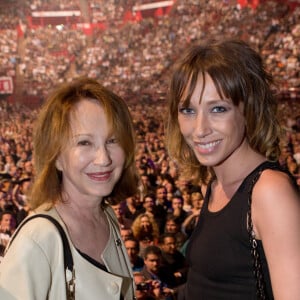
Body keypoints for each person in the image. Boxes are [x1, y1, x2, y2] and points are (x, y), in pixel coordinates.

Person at [166, 39, 300, 299]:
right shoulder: (215, 185)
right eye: (188, 110)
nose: (200, 129)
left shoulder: (270, 192)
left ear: (247, 110)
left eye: (218, 109)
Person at [0, 77, 139, 299]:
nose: (103, 159)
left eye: (112, 140)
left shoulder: (108, 217)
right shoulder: (37, 240)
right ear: (56, 157)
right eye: (84, 142)